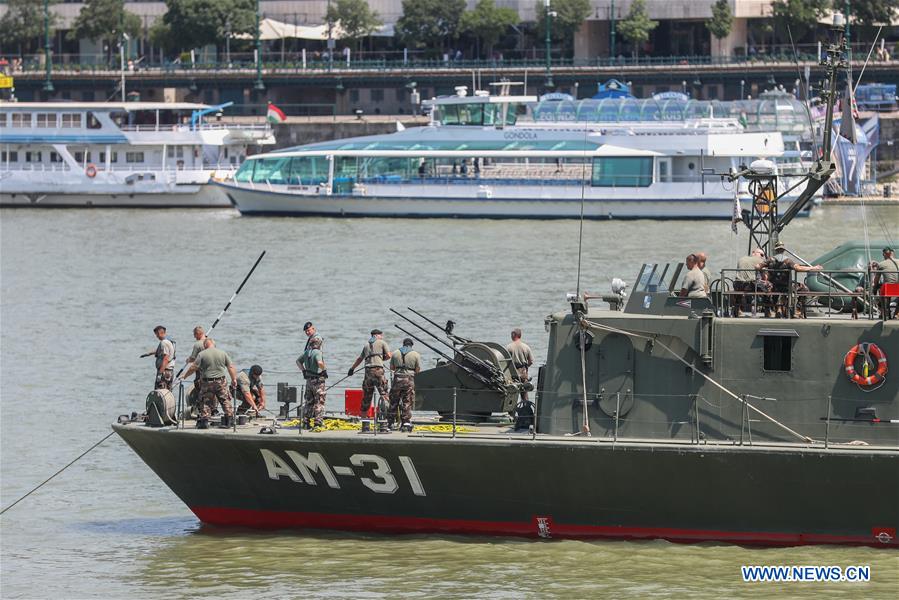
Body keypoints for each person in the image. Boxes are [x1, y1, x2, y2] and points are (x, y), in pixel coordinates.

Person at [183, 338, 237, 428]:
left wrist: (185, 376)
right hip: (221, 381)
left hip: (207, 382)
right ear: (214, 344)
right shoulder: (222, 353)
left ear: (205, 345)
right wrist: (234, 379)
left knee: (205, 401)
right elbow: (230, 367)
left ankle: (204, 422)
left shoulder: (202, 354)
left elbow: (193, 367)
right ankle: (229, 421)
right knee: (225, 400)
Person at [348, 329, 391, 433]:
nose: (382, 337)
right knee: (384, 395)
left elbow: (359, 359)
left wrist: (352, 369)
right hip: (378, 371)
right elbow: (389, 355)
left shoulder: (366, 345)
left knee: (366, 398)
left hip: (368, 372)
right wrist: (381, 359)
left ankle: (365, 425)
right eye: (381, 335)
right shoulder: (382, 343)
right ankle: (385, 423)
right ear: (376, 335)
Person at [764, 242, 823, 318]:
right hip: (787, 286)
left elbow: (757, 266)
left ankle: (769, 310)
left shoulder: (769, 260)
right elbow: (798, 268)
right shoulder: (788, 261)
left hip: (774, 286)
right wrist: (813, 268)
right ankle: (798, 310)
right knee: (804, 289)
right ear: (783, 250)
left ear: (776, 250)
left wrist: (764, 269)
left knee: (764, 288)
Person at [388, 338, 421, 432]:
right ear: (411, 345)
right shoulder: (416, 354)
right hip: (409, 379)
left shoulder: (395, 353)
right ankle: (405, 423)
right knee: (407, 401)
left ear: (403, 344)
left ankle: (390, 422)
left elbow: (392, 367)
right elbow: (417, 369)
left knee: (394, 401)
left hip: (397, 379)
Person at [298, 337, 327, 430]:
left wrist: (304, 371)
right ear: (318, 344)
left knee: (309, 402)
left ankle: (306, 422)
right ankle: (318, 423)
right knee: (319, 401)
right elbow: (319, 362)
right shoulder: (317, 352)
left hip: (309, 381)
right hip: (318, 381)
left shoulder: (307, 352)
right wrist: (324, 370)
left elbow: (298, 361)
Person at [733, 248, 772, 316]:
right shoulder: (759, 260)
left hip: (737, 284)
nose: (762, 257)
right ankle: (767, 310)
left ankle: (737, 309)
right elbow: (764, 276)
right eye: (761, 254)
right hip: (750, 285)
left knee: (739, 291)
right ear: (754, 253)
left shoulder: (741, 259)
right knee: (768, 286)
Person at [872, 246, 899, 319]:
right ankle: (896, 313)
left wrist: (874, 288)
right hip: (898, 287)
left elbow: (876, 279)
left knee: (882, 292)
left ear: (884, 254)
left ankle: (885, 313)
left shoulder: (881, 264)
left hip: (888, 288)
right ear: (892, 253)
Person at [185, 326, 206, 410]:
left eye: (195, 335)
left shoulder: (197, 345)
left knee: (200, 390)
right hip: (210, 371)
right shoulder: (211, 342)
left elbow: (193, 358)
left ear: (198, 333)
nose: (194, 337)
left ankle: (201, 410)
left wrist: (188, 360)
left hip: (200, 372)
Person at [152, 326, 176, 390]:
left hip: (164, 371)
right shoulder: (169, 341)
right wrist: (149, 353)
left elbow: (166, 358)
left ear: (160, 333)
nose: (156, 336)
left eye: (157, 334)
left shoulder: (164, 343)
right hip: (169, 371)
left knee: (160, 392)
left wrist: (160, 374)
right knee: (167, 392)